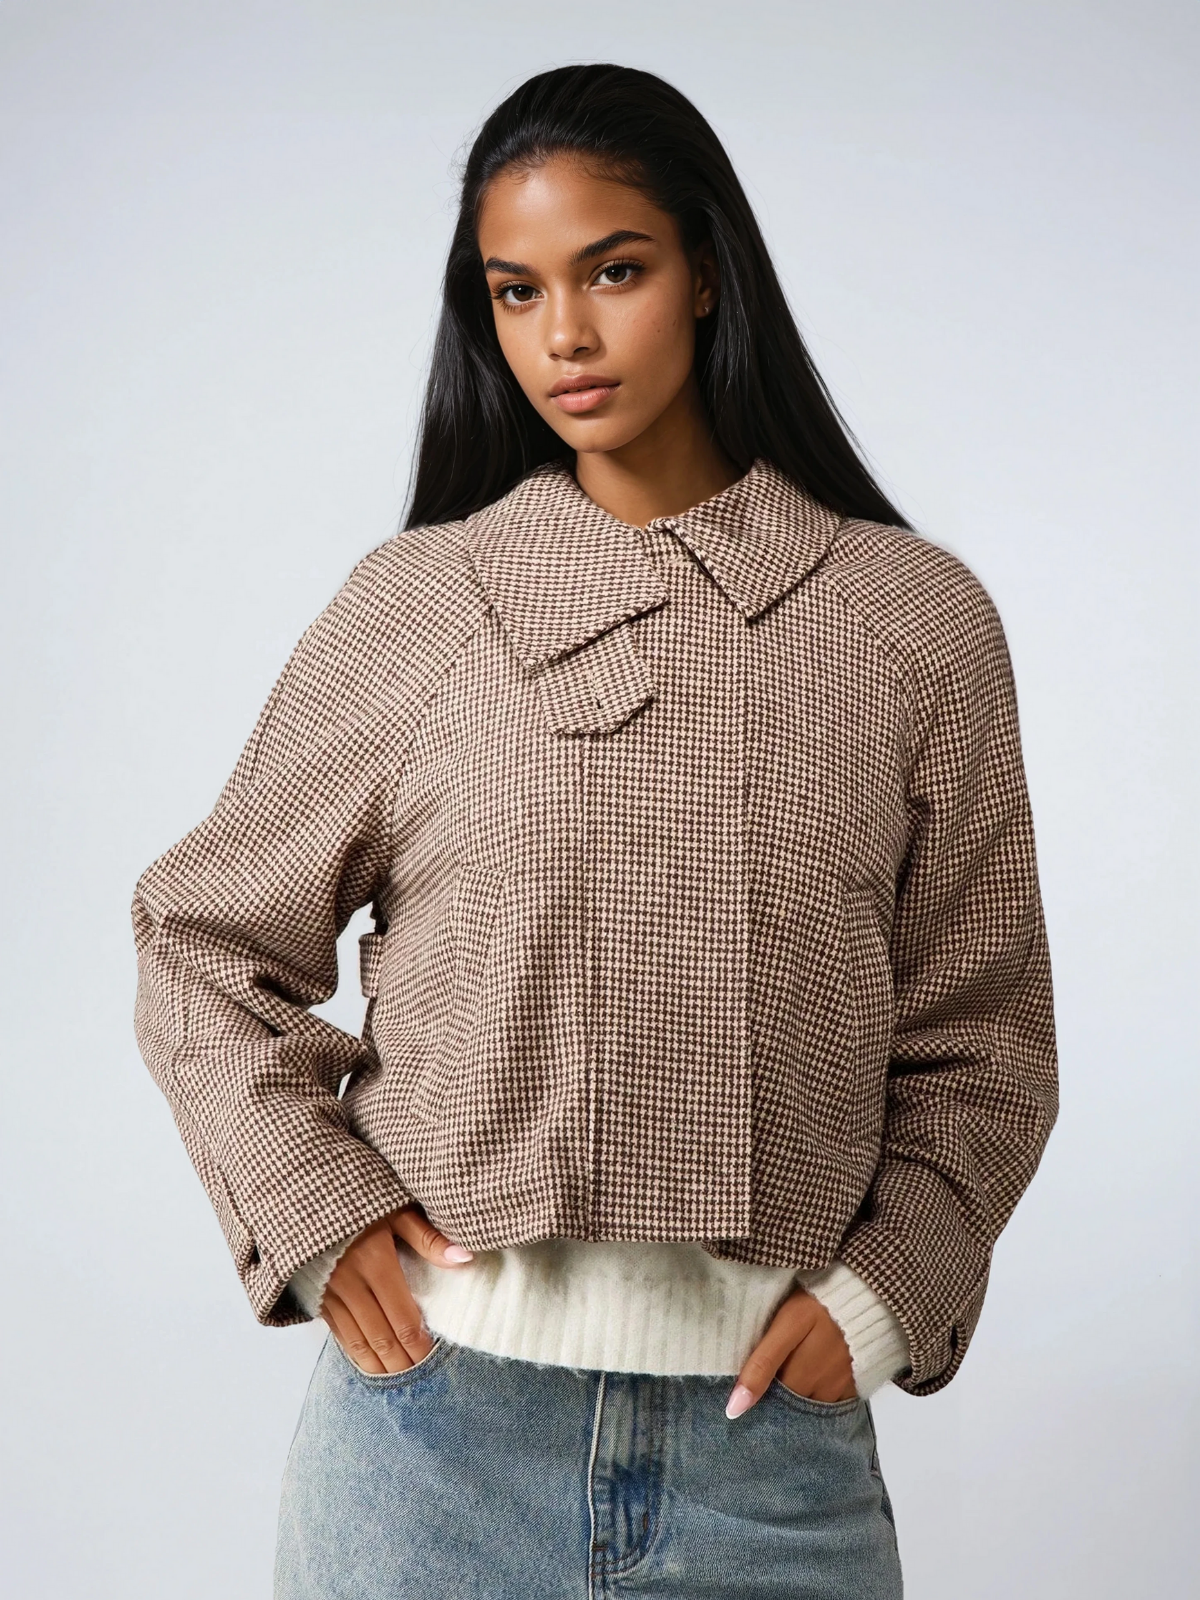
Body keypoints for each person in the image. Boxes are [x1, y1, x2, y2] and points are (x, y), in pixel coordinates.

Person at [131, 63, 1057, 1600]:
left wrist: (885, 1300)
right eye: (517, 290)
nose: (562, 333)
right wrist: (318, 1216)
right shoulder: (424, 605)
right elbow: (201, 943)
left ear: (706, 274)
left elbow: (984, 1040)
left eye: (611, 271)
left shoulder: (913, 625)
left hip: (774, 1461)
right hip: (430, 1453)